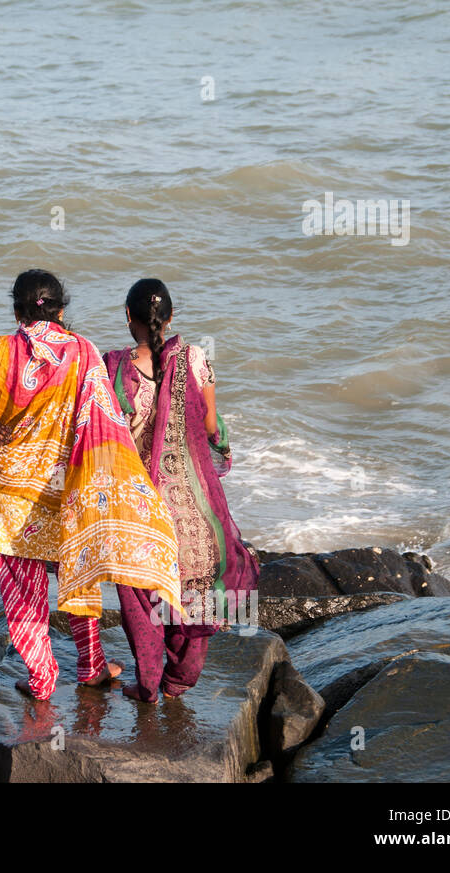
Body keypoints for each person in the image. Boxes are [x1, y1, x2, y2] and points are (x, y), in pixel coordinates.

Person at [0, 269, 181, 701]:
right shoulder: (83, 351)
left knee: (22, 583)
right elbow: (104, 419)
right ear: (62, 310)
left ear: (16, 311)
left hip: (12, 487)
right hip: (65, 482)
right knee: (78, 571)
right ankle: (91, 666)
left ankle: (42, 677)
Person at [102, 278, 260, 702]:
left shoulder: (113, 367)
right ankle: (179, 680)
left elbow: (102, 435)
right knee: (197, 588)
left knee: (142, 596)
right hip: (194, 507)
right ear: (170, 317)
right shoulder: (195, 358)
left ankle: (149, 681)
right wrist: (220, 441)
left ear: (128, 317)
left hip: (141, 507)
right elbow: (210, 425)